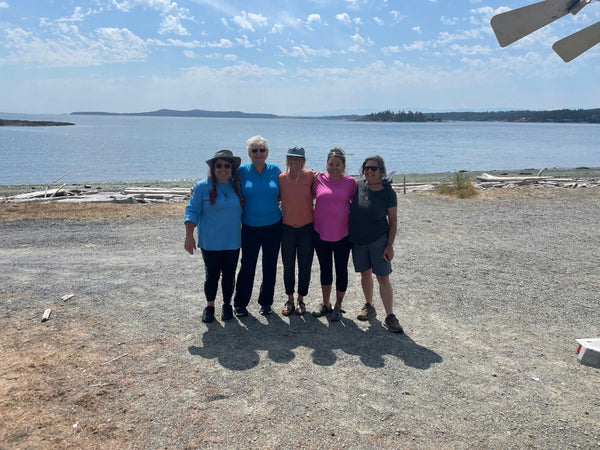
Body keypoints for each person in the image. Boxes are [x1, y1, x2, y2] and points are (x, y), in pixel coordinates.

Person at [184, 149, 243, 323]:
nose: (223, 169)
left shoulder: (238, 186)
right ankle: (210, 306)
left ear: (232, 168)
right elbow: (192, 211)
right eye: (219, 165)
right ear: (213, 167)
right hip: (210, 242)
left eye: (227, 165)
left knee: (230, 275)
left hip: (233, 240)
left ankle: (227, 305)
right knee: (212, 275)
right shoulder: (202, 186)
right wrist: (189, 236)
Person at [349, 155, 403, 333]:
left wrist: (390, 245)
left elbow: (393, 221)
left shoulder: (388, 192)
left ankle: (390, 315)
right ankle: (369, 306)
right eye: (366, 168)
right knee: (365, 274)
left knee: (383, 277)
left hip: (380, 240)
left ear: (381, 171)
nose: (369, 171)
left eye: (374, 168)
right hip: (359, 240)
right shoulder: (357, 186)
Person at [232, 135, 282, 316]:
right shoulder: (241, 172)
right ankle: (240, 303)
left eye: (262, 150)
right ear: (249, 153)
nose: (258, 153)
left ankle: (266, 303)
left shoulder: (275, 170)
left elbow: (287, 189)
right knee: (247, 265)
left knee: (270, 265)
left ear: (267, 152)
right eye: (255, 150)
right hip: (249, 226)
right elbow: (223, 184)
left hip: (274, 225)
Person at [311, 147, 357, 321]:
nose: (334, 167)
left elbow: (356, 202)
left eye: (338, 164)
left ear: (344, 166)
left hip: (343, 234)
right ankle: (326, 304)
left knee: (341, 270)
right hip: (320, 232)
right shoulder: (318, 180)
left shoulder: (350, 182)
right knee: (325, 269)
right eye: (331, 164)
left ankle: (338, 306)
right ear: (326, 165)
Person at [278, 146, 315, 316]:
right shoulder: (281, 178)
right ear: (287, 160)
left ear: (303, 161)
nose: (294, 162)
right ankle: (290, 298)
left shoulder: (310, 176)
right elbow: (274, 196)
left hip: (307, 227)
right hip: (287, 228)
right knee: (288, 265)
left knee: (305, 265)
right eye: (291, 158)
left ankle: (301, 299)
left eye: (298, 159)